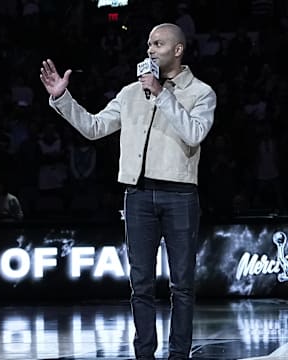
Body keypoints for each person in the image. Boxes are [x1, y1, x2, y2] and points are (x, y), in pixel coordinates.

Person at [40, 23, 216, 360]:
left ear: (178, 50)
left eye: (159, 44)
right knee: (141, 285)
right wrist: (62, 98)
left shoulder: (200, 93)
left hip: (179, 195)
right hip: (136, 196)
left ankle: (179, 354)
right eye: (149, 44)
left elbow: (193, 134)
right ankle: (144, 354)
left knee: (182, 284)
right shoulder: (130, 93)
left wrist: (162, 95)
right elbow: (94, 128)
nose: (150, 49)